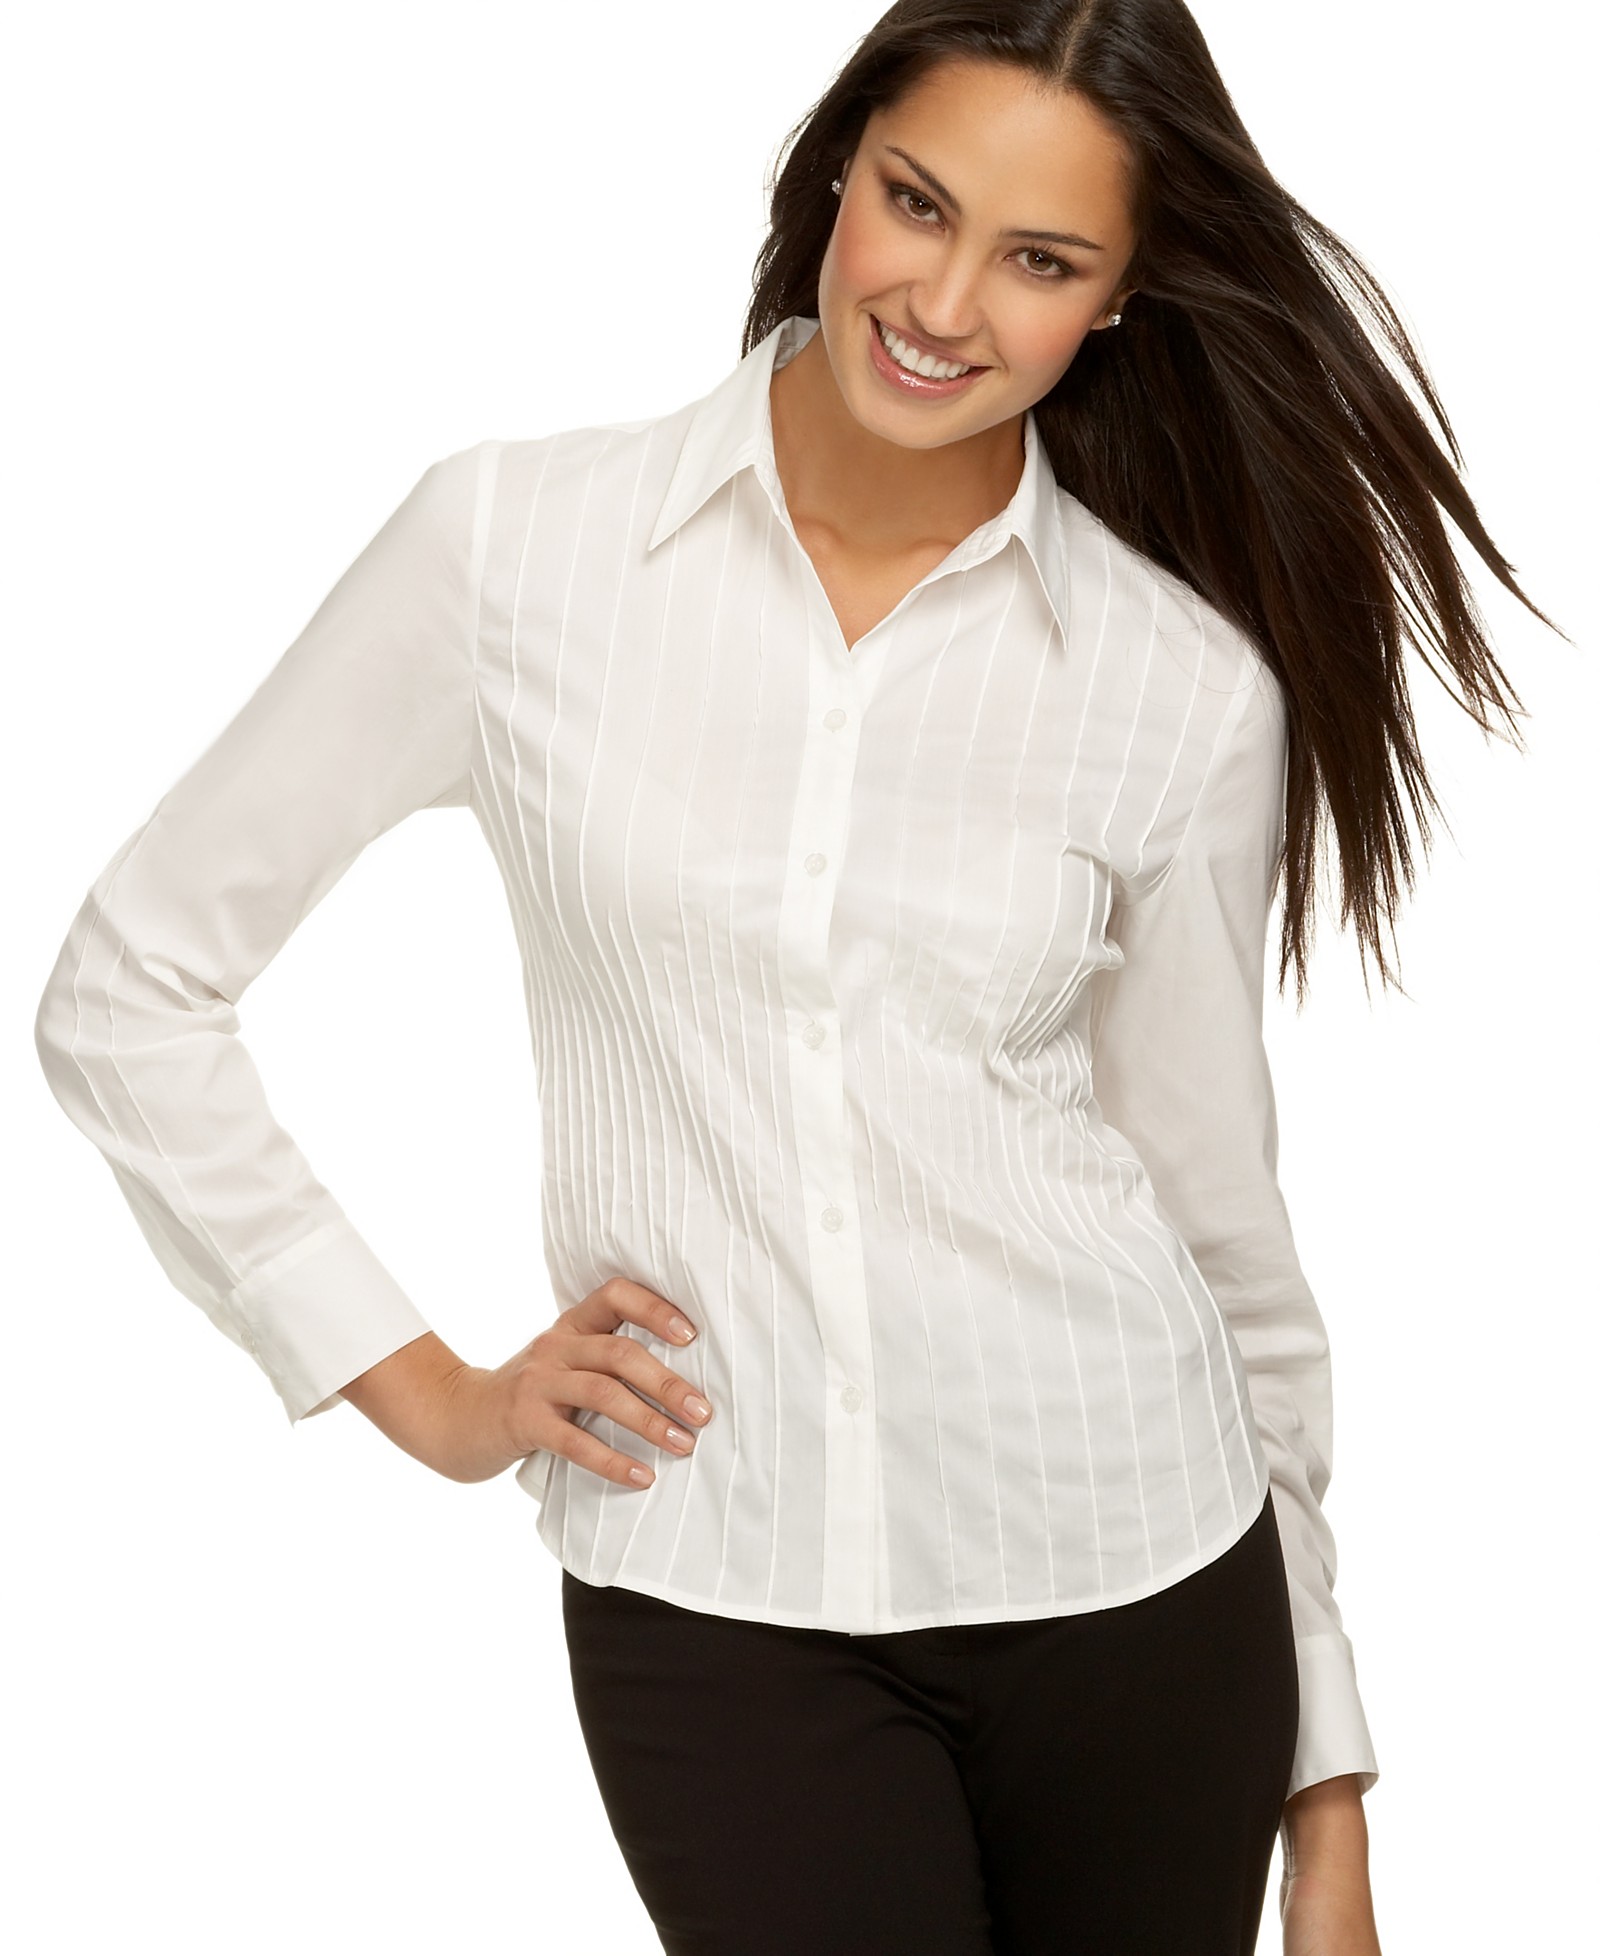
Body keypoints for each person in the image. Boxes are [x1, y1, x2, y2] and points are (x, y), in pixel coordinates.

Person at [34, 2, 1561, 1952]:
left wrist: (1324, 1800)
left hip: (1141, 1582)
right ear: (838, 169)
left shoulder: (1174, 690)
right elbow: (131, 985)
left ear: (1116, 300)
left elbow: (1215, 1230)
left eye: (1039, 259)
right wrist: (426, 1394)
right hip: (715, 1596)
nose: (942, 302)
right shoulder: (515, 552)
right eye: (916, 204)